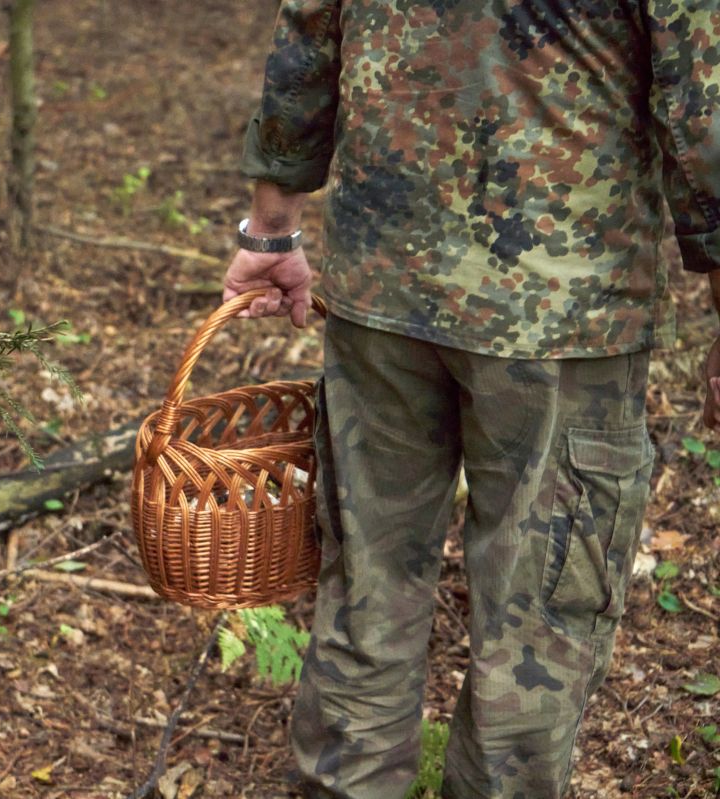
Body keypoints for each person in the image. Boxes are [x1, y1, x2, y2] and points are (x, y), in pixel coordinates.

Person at [222, 1, 720, 796]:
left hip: (390, 291)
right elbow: (700, 93)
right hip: (558, 315)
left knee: (367, 600)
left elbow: (310, 29)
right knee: (538, 625)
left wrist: (272, 222)